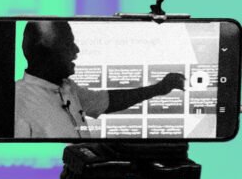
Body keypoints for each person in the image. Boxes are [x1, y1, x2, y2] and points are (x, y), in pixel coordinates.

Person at [14, 21, 185, 138]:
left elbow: (108, 101)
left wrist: (160, 88)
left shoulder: (68, 88)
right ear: (45, 54)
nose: (76, 50)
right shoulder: (16, 105)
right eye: (68, 44)